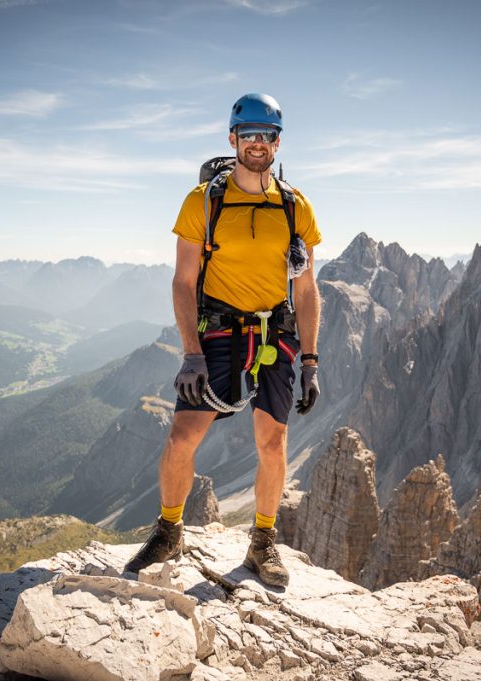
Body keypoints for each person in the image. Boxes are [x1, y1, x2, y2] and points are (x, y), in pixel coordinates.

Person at [123, 93, 322, 587]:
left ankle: (262, 544)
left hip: (274, 334)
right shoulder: (204, 201)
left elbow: (307, 287)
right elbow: (183, 282)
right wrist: (191, 352)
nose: (258, 143)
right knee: (181, 438)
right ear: (232, 139)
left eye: (268, 135)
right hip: (218, 333)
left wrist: (312, 360)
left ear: (278, 142)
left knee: (273, 444)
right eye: (249, 134)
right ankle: (170, 529)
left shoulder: (296, 207)